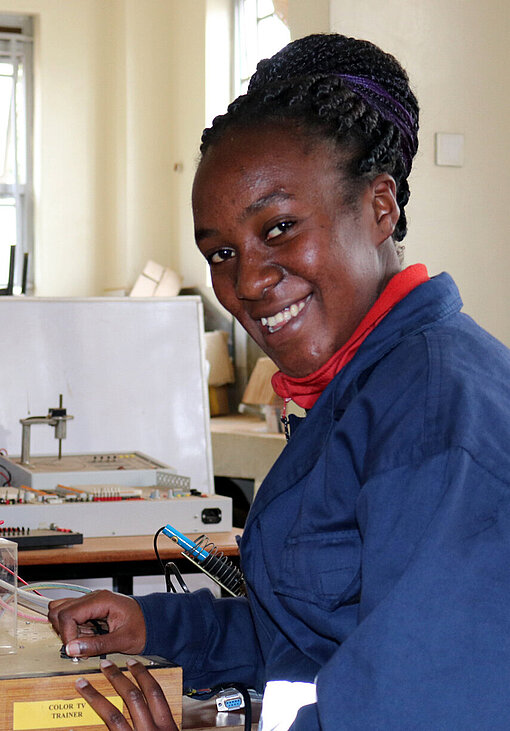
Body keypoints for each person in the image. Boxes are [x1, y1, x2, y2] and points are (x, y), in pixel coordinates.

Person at [49, 33, 510, 730]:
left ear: (381, 207)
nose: (248, 282)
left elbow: (420, 706)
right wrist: (159, 626)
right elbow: (322, 635)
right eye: (223, 252)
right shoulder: (360, 388)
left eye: (281, 227)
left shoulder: (435, 413)